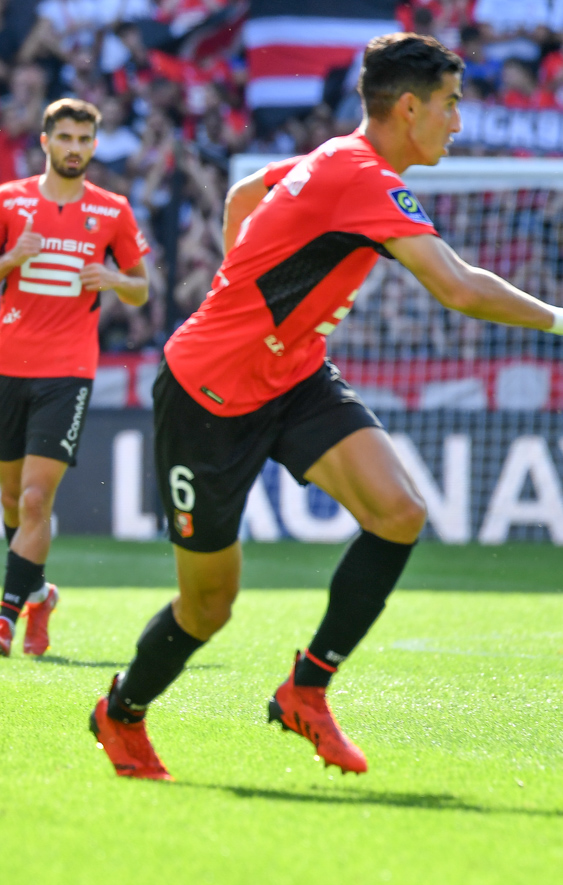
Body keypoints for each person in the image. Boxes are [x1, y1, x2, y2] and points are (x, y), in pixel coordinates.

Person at [89, 33, 563, 780]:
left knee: (398, 512)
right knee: (208, 606)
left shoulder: (335, 158)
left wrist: (249, 290)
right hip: (206, 396)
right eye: (451, 105)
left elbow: (246, 197)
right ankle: (120, 713)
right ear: (409, 107)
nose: (457, 122)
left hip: (294, 375)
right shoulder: (362, 177)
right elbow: (459, 287)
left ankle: (305, 689)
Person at [0, 98, 149, 658]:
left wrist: (112, 277)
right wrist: (10, 258)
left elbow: (141, 289)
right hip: (7, 367)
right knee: (12, 501)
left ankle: (4, 617)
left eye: (84, 140)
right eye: (65, 138)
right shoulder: (7, 201)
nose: (74, 149)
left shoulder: (112, 210)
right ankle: (39, 594)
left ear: (94, 145)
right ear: (45, 141)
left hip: (69, 372)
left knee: (38, 500)